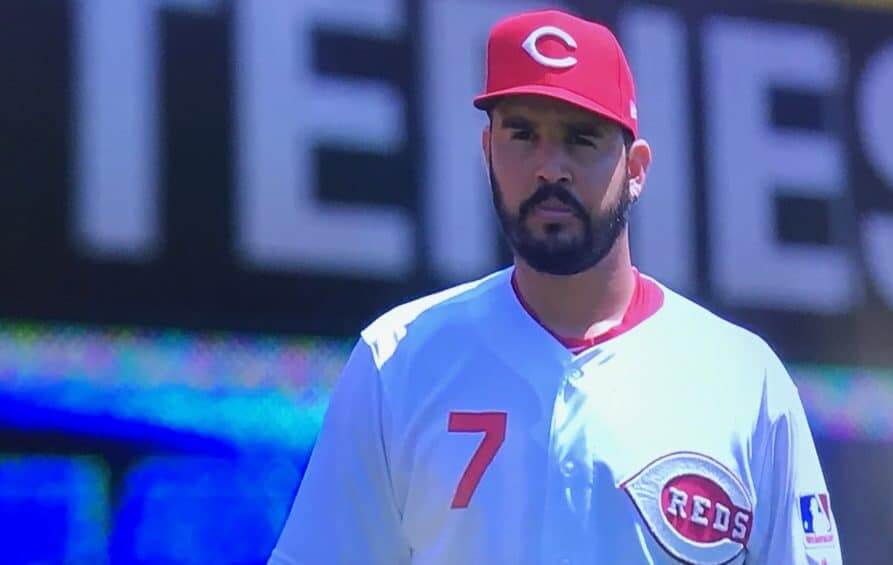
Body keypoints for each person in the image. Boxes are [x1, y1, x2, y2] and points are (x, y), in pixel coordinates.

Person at [269, 9, 842, 565]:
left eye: (581, 138)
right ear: (488, 151)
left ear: (636, 168)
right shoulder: (398, 358)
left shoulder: (742, 378)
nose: (550, 168)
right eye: (523, 134)